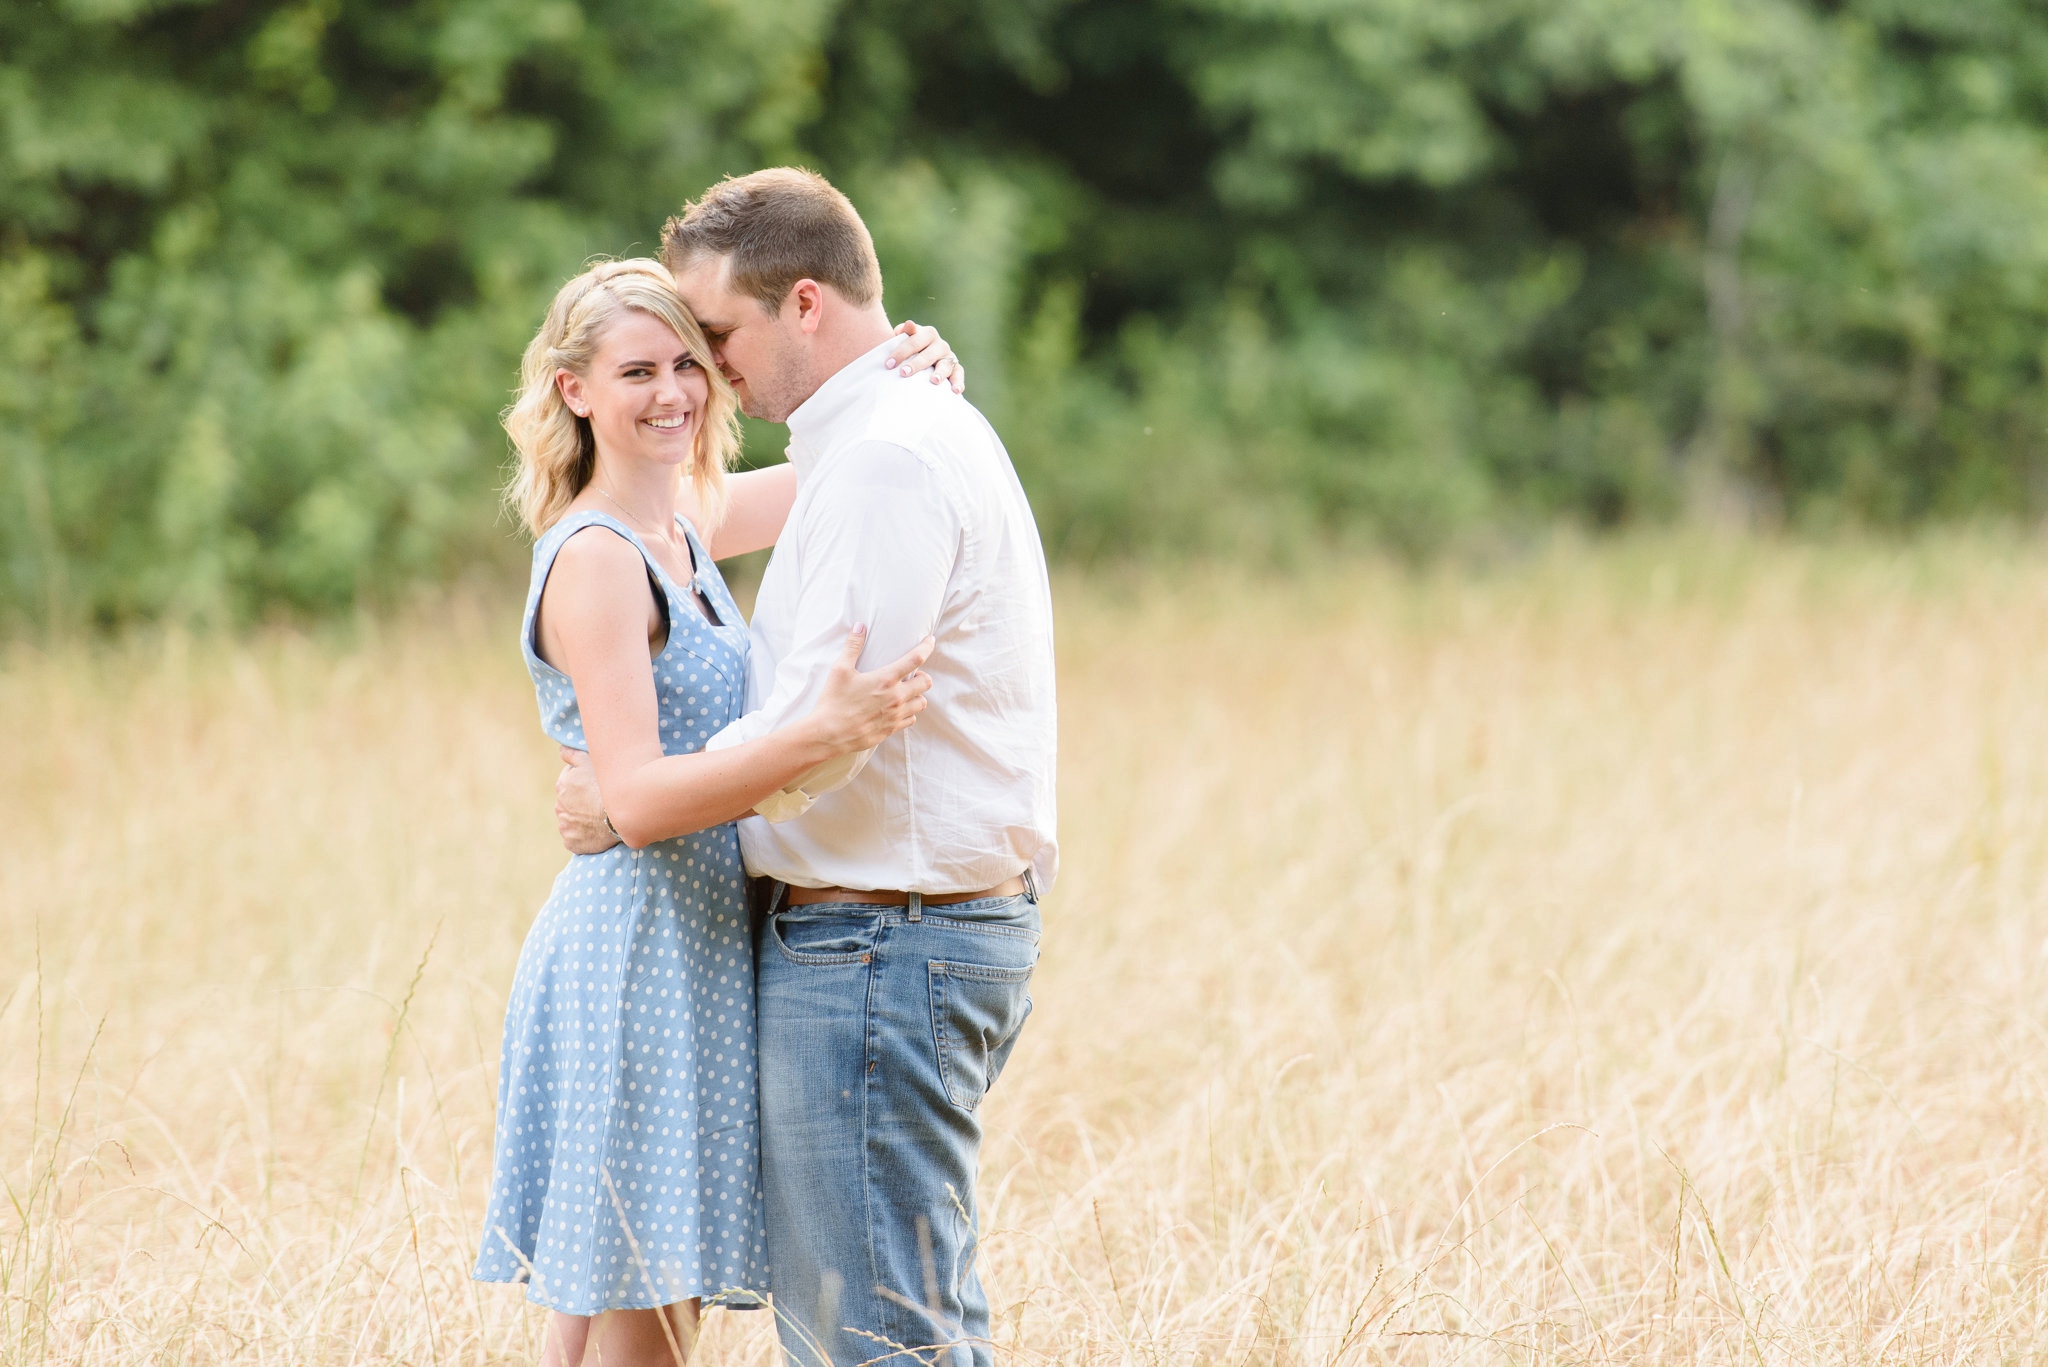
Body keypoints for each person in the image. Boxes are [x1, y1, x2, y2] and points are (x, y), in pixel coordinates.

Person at [556, 169, 1058, 1367]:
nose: (703, 366)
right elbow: (674, 528)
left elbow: (820, 736)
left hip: (880, 941)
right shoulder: (872, 442)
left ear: (806, 307)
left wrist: (629, 798)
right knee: (867, 1325)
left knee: (875, 1339)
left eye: (715, 335)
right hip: (873, 938)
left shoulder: (885, 456)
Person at [473, 255, 973, 1367]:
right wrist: (818, 735)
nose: (673, 393)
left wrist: (912, 372)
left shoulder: (683, 521)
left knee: (607, 1318)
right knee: (648, 1314)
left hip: (693, 941)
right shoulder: (599, 558)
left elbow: (853, 462)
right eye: (636, 370)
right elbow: (641, 799)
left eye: (688, 365)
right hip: (638, 949)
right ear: (574, 391)